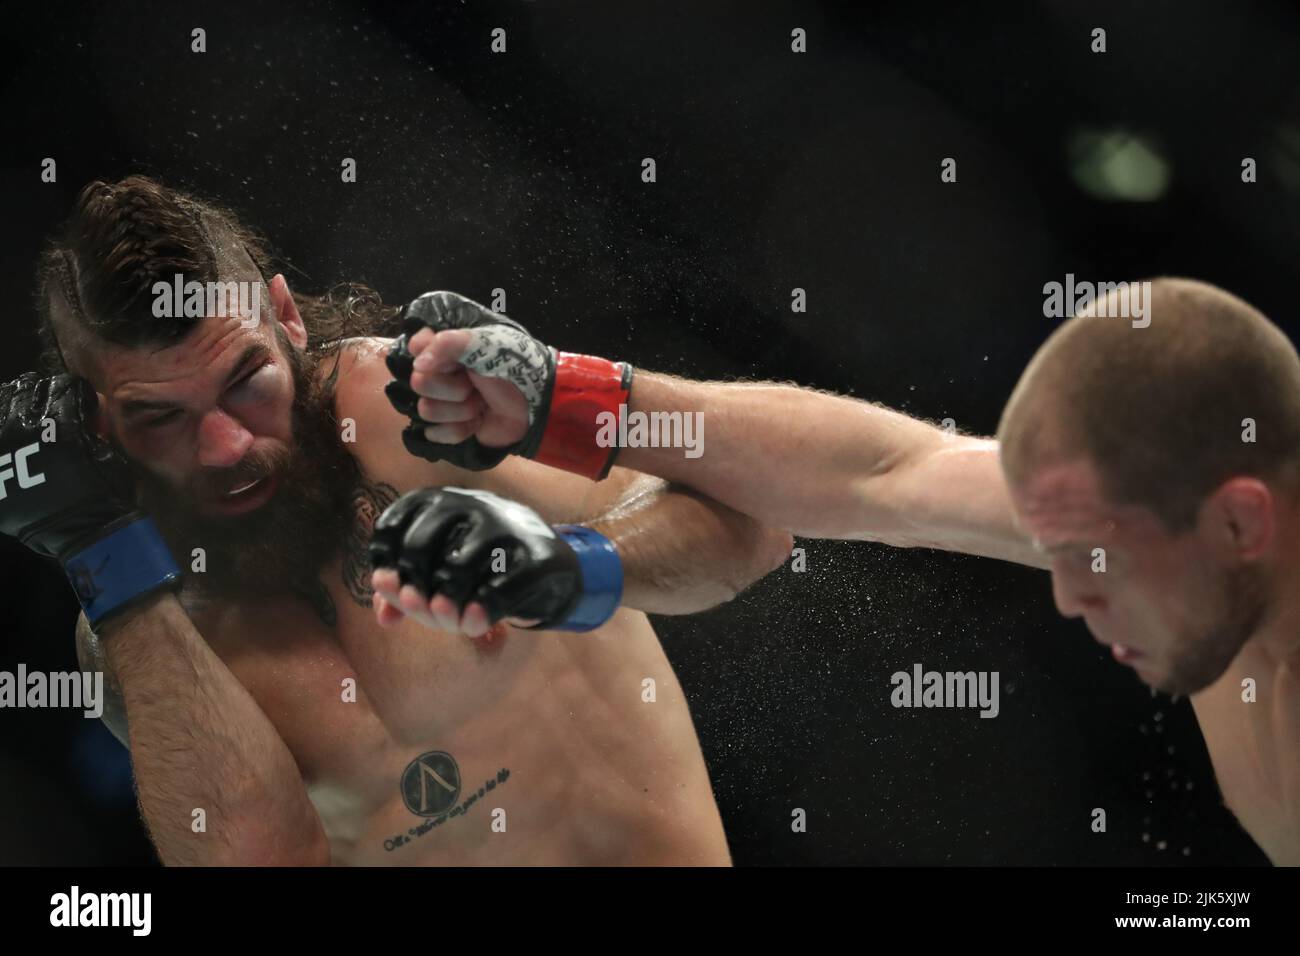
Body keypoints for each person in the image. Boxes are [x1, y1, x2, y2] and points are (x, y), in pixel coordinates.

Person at [0, 176, 792, 866]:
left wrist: (569, 566)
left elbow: (753, 519)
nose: (225, 446)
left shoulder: (422, 404)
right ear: (94, 423)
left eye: (247, 380)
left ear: (287, 319)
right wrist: (110, 569)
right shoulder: (136, 625)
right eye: (159, 418)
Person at [403, 277, 1300, 865]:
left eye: (1093, 563)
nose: (1068, 596)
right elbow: (881, 472)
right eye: (1054, 552)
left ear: (1238, 520)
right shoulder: (1183, 536)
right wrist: (569, 397)